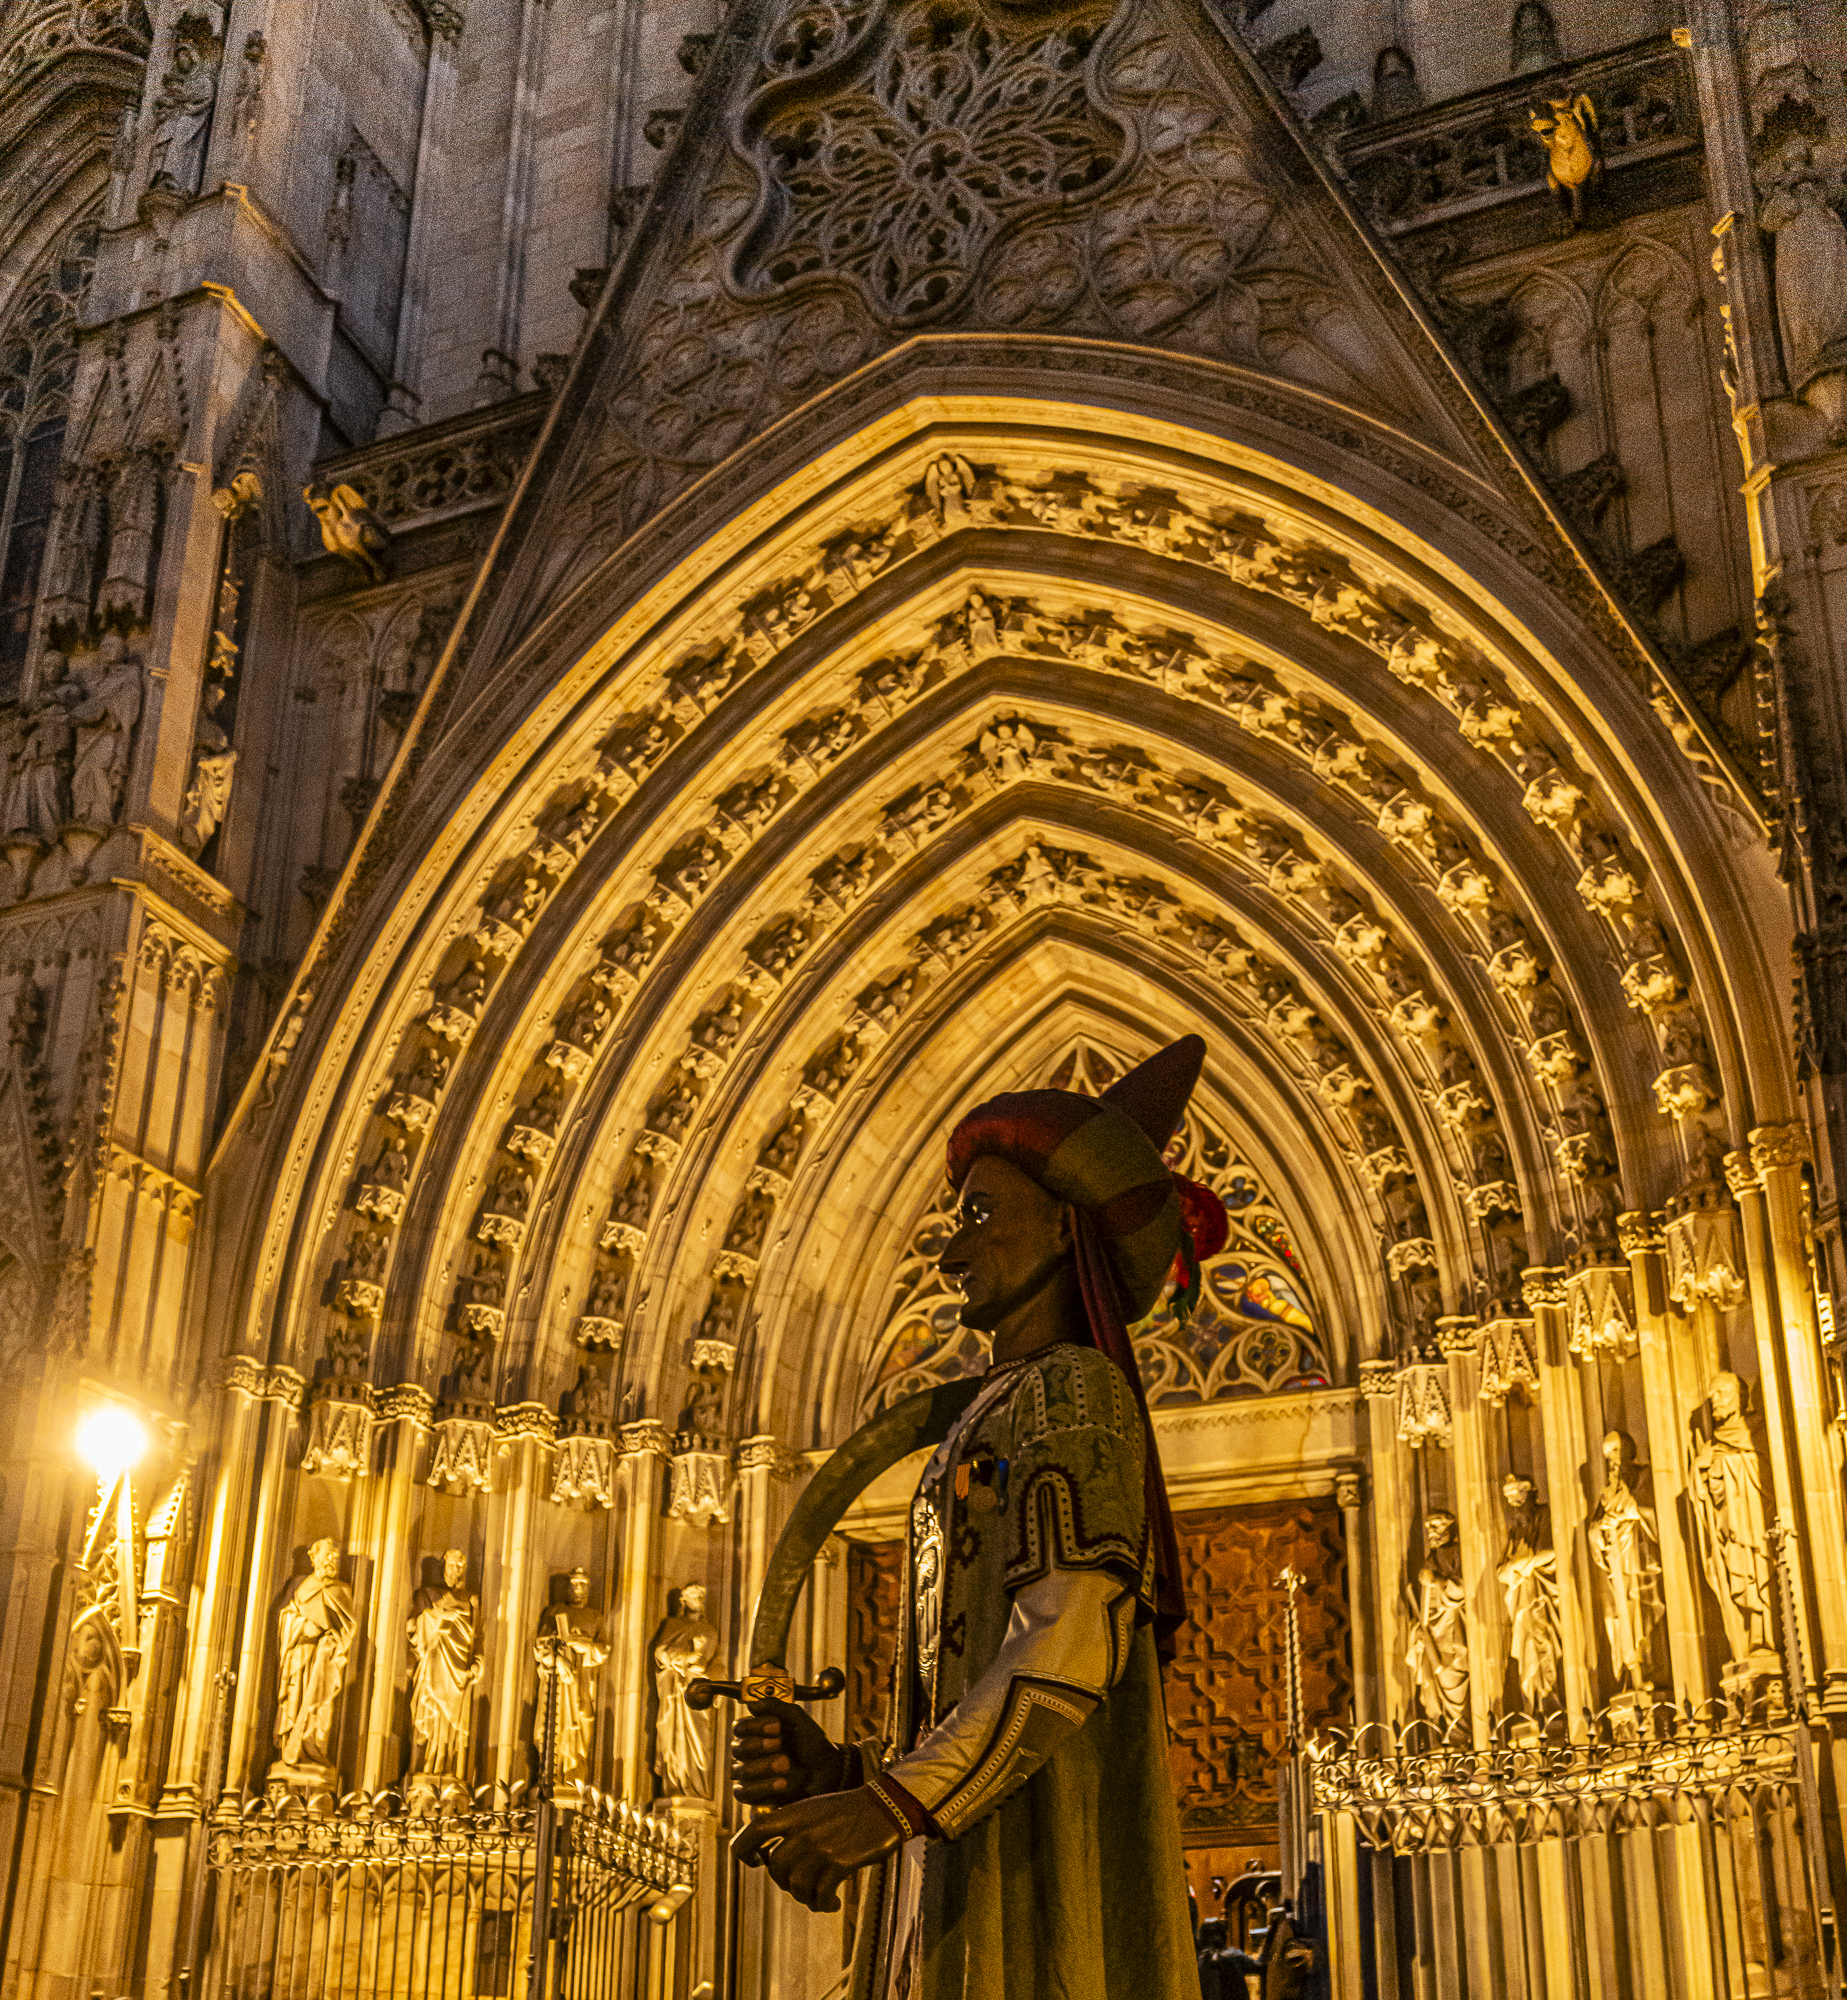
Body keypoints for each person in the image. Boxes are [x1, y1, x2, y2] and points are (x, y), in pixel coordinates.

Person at [732, 1037, 1221, 1998]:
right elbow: (981, 1681)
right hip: (959, 1856)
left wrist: (892, 1803)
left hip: (1034, 1881)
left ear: (1061, 1231)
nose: (951, 1249)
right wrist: (842, 1770)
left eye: (982, 1214)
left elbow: (1067, 1646)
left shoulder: (1078, 1393)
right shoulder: (999, 1409)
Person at [273, 1538, 356, 1773]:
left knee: (319, 1708)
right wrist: (302, 1627)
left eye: (336, 1556)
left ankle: (314, 1748)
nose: (333, 1560)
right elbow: (285, 1616)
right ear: (314, 1557)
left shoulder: (342, 1591)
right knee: (296, 1700)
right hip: (300, 1655)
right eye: (329, 1554)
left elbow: (347, 1631)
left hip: (325, 1660)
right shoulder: (301, 1586)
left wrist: (332, 1641)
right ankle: (293, 1747)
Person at [407, 1548, 482, 1783]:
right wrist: (438, 1617)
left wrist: (478, 1661)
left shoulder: (471, 1600)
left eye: (461, 1567)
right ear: (443, 1567)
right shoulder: (428, 1594)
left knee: (452, 1725)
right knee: (434, 1713)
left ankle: (448, 1764)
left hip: (459, 1668)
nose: (456, 1571)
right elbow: (414, 1626)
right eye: (452, 1565)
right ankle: (426, 1764)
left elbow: (478, 1634)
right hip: (435, 1661)